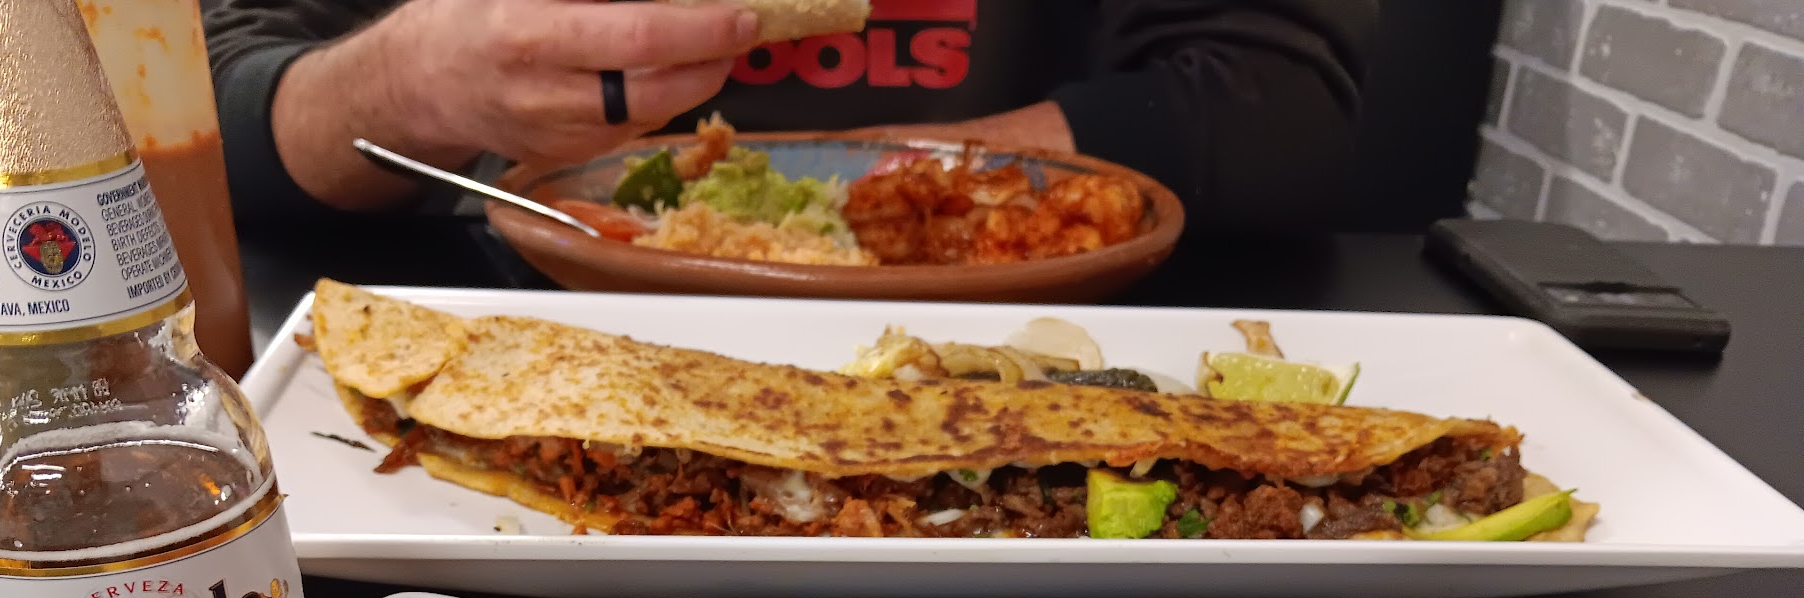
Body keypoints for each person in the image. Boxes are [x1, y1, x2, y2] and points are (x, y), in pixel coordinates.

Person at [204, 0, 1376, 236]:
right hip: (504, 341)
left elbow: (1278, 116)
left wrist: (871, 194)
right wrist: (406, 81)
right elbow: (211, 118)